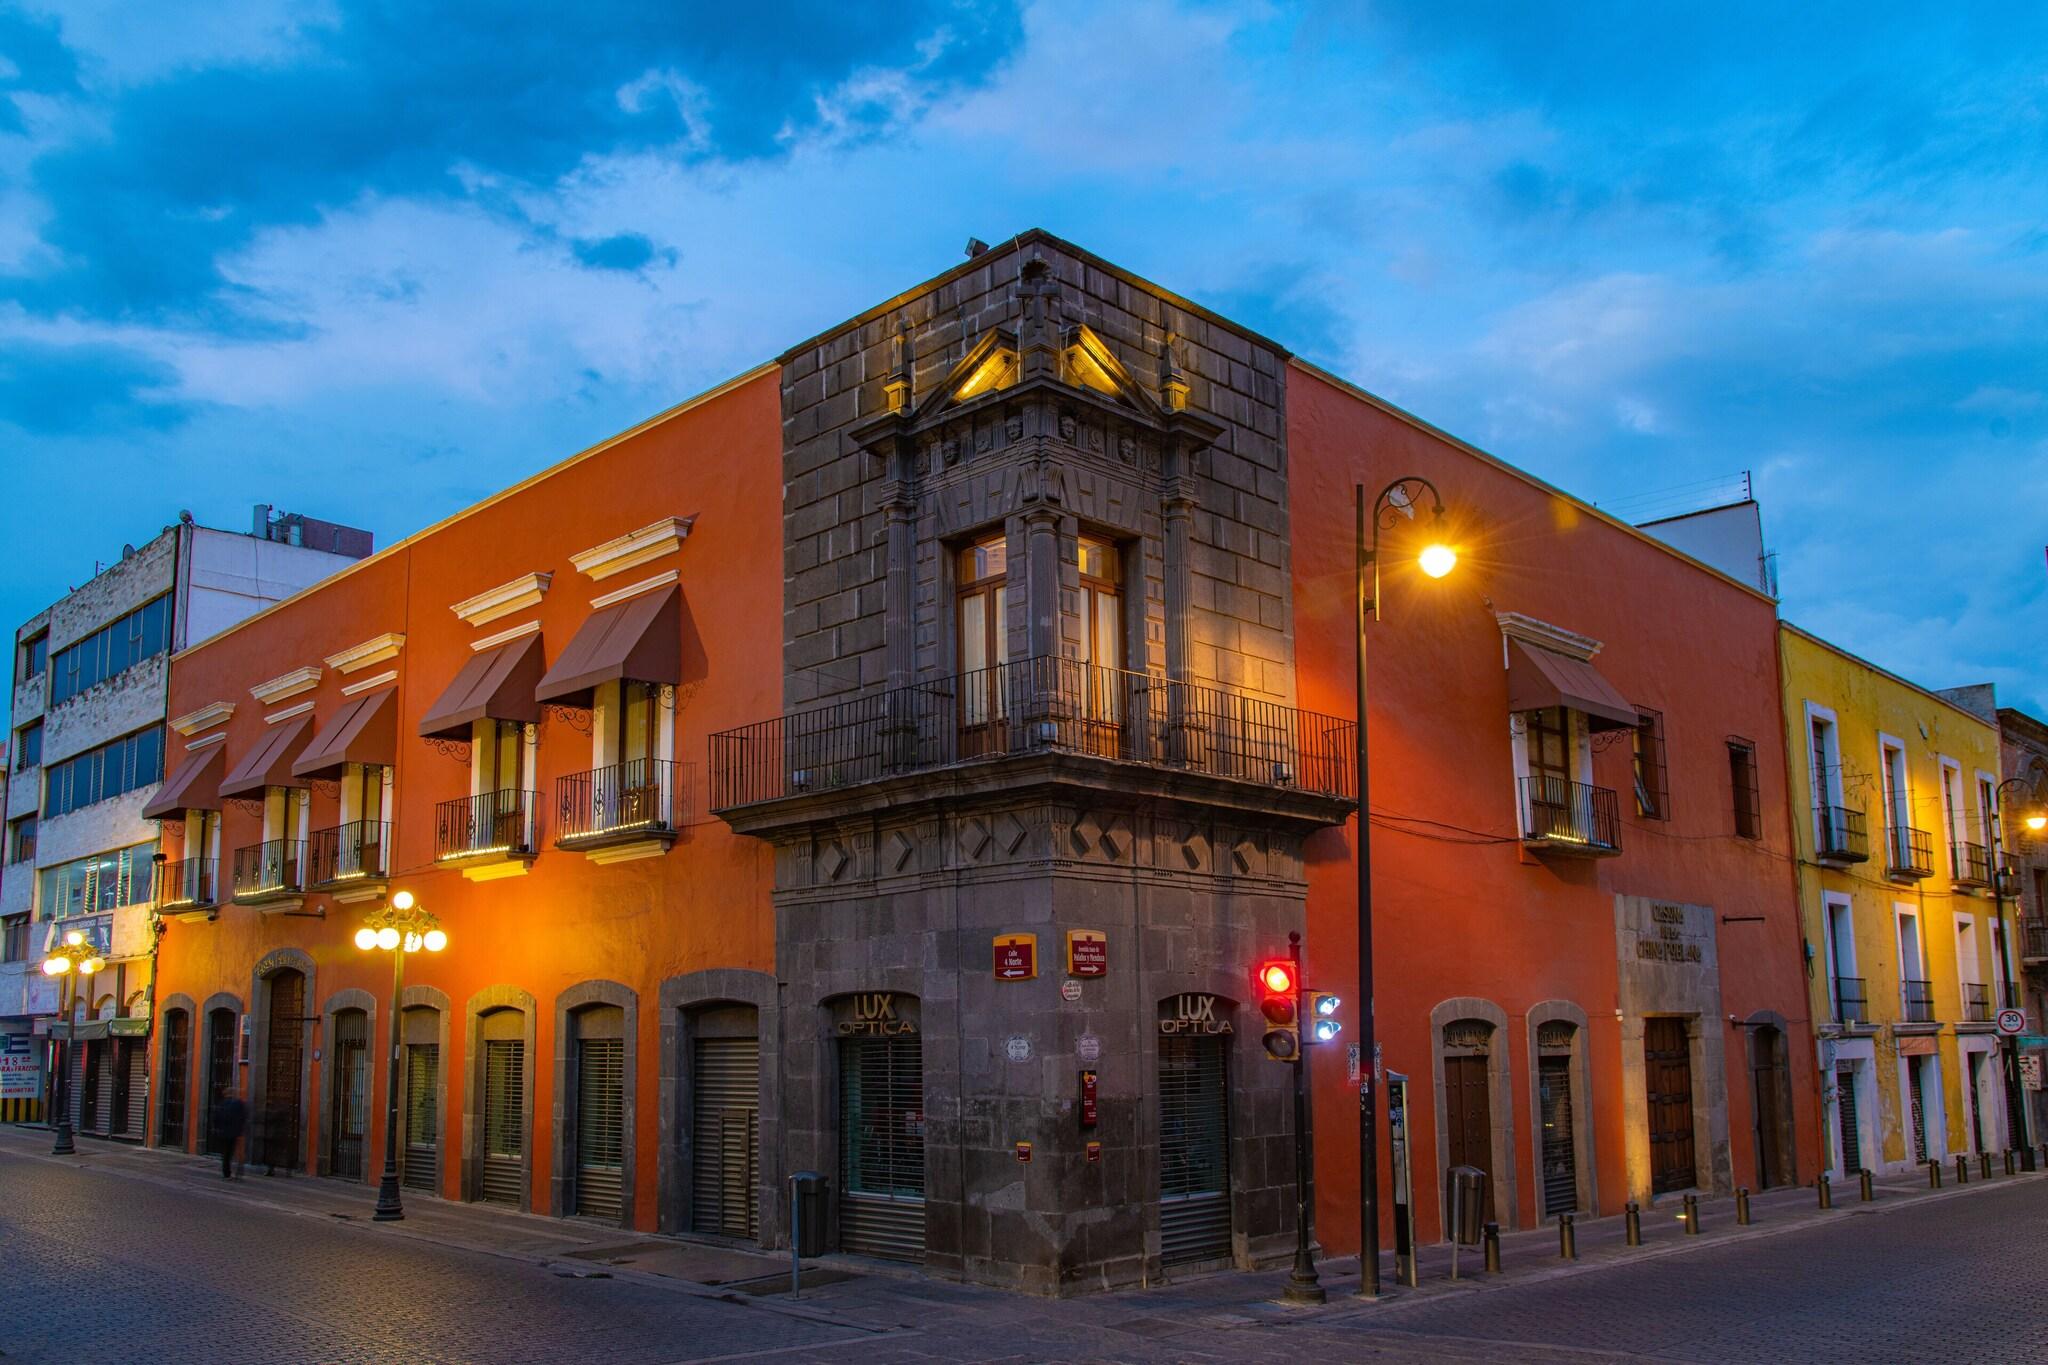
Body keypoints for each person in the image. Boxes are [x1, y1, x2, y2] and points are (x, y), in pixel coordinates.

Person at [212, 1091, 248, 1179]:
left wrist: (217, 1129)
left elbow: (216, 1118)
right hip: (234, 1133)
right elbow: (243, 1117)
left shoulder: (221, 1104)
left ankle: (226, 1173)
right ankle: (238, 1171)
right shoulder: (238, 1103)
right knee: (232, 1152)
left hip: (223, 1133)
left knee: (225, 1153)